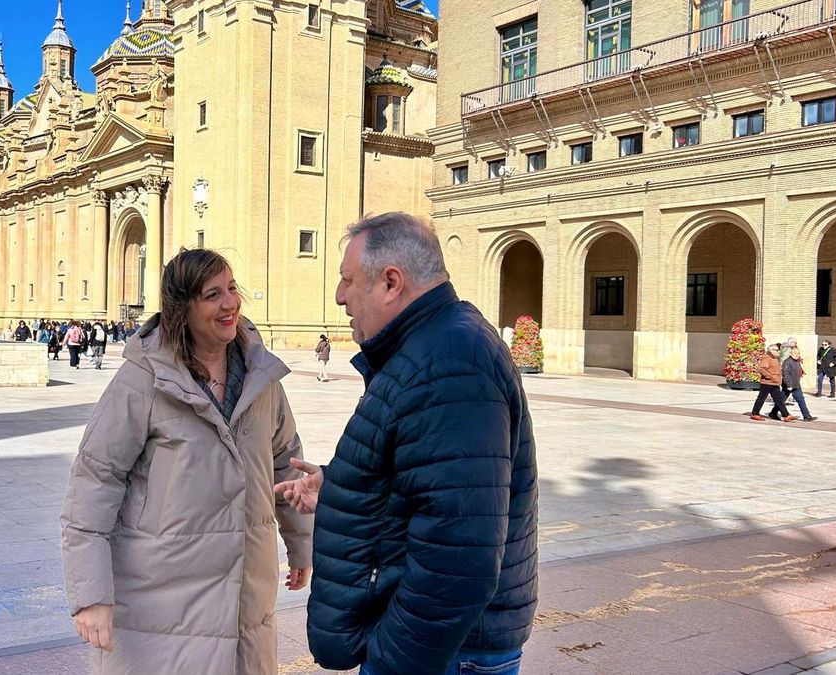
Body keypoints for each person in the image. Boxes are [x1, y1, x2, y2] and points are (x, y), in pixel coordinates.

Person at [274, 213, 538, 675]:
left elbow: (459, 554)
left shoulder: (450, 361)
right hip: (443, 650)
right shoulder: (436, 345)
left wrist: (392, 660)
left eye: (348, 280)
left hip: (443, 654)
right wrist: (345, 488)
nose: (339, 296)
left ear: (391, 282)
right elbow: (432, 479)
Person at [60, 248, 313, 674]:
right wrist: (91, 596)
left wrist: (301, 544)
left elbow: (285, 463)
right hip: (162, 601)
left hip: (245, 597)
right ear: (183, 308)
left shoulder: (260, 377)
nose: (230, 303)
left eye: (232, 289)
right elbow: (95, 482)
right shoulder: (143, 380)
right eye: (213, 295)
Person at [751, 344, 794, 422]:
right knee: (761, 398)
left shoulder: (775, 358)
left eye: (778, 350)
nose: (778, 351)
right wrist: (771, 377)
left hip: (774, 383)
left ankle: (786, 415)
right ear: (770, 351)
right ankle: (755, 413)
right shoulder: (767, 358)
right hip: (767, 383)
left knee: (779, 400)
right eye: (776, 350)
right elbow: (761, 369)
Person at [781, 346, 817, 422]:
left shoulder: (797, 362)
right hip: (789, 386)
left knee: (801, 400)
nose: (797, 355)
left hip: (796, 385)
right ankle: (773, 413)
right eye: (795, 353)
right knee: (781, 401)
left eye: (798, 353)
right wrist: (789, 385)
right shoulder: (787, 362)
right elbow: (785, 374)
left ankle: (806, 416)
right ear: (790, 354)